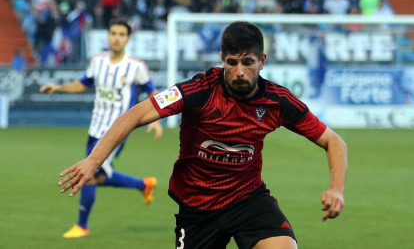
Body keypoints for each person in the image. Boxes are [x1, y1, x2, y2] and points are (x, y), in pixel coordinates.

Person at [58, 21, 348, 249]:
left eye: (248, 62)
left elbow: (334, 141)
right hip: (197, 208)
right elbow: (134, 114)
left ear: (263, 61)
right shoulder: (198, 91)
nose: (239, 72)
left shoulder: (277, 101)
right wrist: (93, 160)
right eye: (232, 62)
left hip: (248, 200)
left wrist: (336, 188)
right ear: (222, 58)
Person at [41, 18, 163, 238]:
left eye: (121, 34)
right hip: (94, 128)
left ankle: (82, 226)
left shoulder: (136, 67)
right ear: (108, 36)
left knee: (88, 174)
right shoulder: (97, 61)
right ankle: (144, 184)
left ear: (128, 39)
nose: (117, 38)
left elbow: (153, 93)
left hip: (117, 132)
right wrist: (58, 87)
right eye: (113, 33)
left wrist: (155, 120)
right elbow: (82, 84)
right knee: (98, 176)